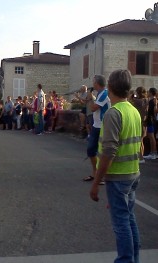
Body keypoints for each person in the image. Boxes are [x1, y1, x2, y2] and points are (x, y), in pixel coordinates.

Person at [90, 69, 141, 263]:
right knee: (129, 219)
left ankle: (126, 260)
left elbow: (108, 152)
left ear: (110, 87)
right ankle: (134, 258)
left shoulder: (113, 114)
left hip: (118, 176)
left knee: (120, 222)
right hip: (133, 172)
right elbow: (139, 143)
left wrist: (96, 182)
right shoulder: (133, 111)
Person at [83, 75, 111, 184]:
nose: (92, 84)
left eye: (93, 82)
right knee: (92, 150)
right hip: (97, 125)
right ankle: (96, 173)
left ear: (97, 83)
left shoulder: (104, 93)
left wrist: (90, 98)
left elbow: (93, 108)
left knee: (99, 151)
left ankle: (101, 175)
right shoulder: (100, 93)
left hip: (102, 126)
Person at [131, 87, 148, 163]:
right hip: (144, 122)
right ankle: (141, 156)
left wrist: (131, 95)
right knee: (141, 141)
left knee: (139, 141)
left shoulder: (137, 101)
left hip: (139, 122)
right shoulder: (146, 100)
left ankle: (140, 158)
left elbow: (130, 101)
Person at [143, 87, 157, 160]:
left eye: (149, 92)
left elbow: (152, 111)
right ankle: (152, 152)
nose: (147, 93)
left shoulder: (153, 101)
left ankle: (153, 153)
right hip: (151, 120)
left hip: (150, 120)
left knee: (152, 137)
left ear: (151, 93)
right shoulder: (152, 100)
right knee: (151, 137)